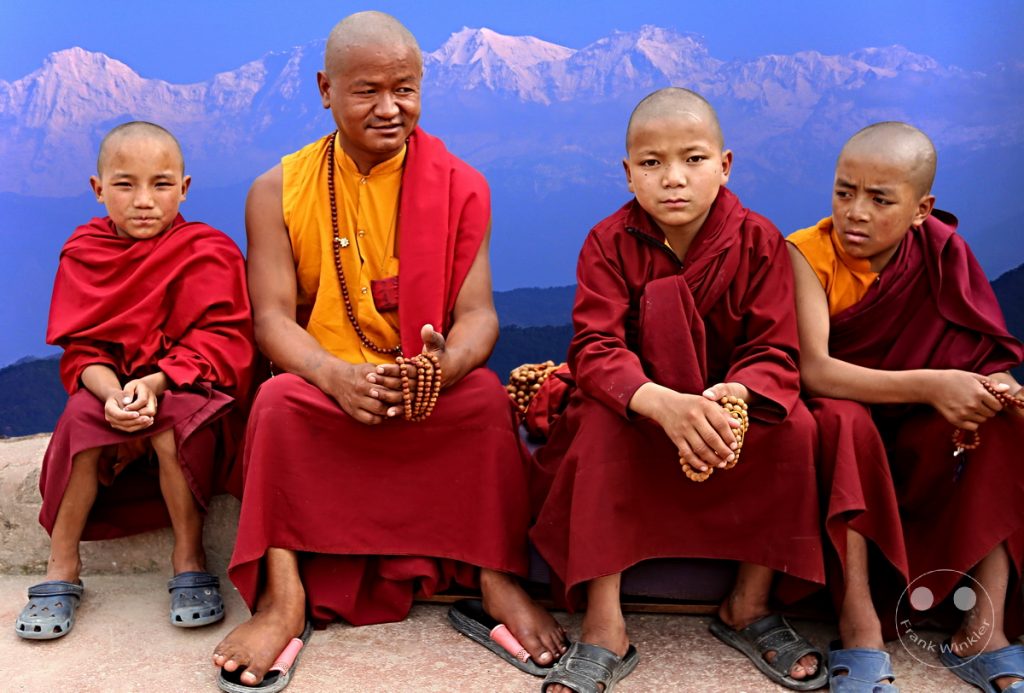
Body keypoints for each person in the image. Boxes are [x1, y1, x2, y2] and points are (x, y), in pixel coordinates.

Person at [212, 11, 565, 690]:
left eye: (404, 88)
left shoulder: (461, 186)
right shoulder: (276, 190)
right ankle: (283, 595)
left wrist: (444, 365)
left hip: (422, 391)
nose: (388, 107)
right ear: (324, 89)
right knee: (278, 401)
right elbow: (274, 322)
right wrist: (335, 374)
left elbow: (478, 315)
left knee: (486, 398)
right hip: (327, 390)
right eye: (366, 90)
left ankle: (496, 575)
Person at [529, 88, 826, 693]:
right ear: (628, 172)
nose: (673, 179)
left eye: (693, 159)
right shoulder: (608, 241)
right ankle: (604, 622)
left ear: (725, 164)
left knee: (796, 429)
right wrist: (660, 402)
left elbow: (774, 348)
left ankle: (749, 601)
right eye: (651, 163)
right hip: (642, 408)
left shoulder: (758, 241)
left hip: (724, 408)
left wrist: (732, 399)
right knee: (597, 426)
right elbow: (594, 348)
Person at [788, 121, 1024, 692]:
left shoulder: (943, 252)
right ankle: (860, 625)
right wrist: (934, 386)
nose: (855, 213)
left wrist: (999, 387)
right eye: (844, 192)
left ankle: (982, 632)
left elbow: (980, 351)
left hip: (920, 423)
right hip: (841, 419)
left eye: (879, 199)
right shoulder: (807, 253)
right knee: (846, 422)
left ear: (923, 209)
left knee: (999, 422)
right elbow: (814, 371)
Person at [15, 121, 255, 640]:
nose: (144, 201)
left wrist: (154, 383)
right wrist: (113, 395)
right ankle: (62, 566)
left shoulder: (207, 251)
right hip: (111, 387)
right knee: (81, 423)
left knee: (169, 426)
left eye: (161, 184)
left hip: (185, 388)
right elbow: (82, 351)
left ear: (185, 188)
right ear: (98, 189)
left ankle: (188, 557)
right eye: (125, 184)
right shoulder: (85, 251)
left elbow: (225, 343)